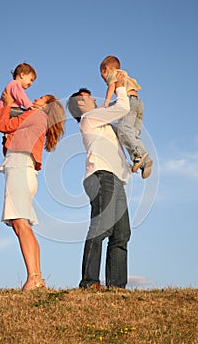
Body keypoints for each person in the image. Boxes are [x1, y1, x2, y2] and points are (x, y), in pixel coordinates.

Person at [0, 90, 65, 290]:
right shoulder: (39, 118)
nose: (35, 99)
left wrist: (7, 104)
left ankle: (33, 277)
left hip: (20, 168)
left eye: (40, 98)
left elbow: (4, 125)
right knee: (22, 225)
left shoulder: (35, 115)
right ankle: (37, 277)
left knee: (20, 224)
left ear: (46, 106)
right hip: (25, 170)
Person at [67, 72, 131, 289]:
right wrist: (120, 87)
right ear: (80, 104)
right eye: (89, 97)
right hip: (101, 176)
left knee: (122, 233)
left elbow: (120, 113)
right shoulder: (90, 118)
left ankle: (116, 286)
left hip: (115, 178)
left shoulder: (101, 121)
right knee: (101, 226)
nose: (93, 98)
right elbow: (121, 108)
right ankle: (89, 282)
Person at [100, 55, 152, 179]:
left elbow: (111, 87)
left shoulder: (114, 75)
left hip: (129, 102)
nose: (103, 79)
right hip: (138, 104)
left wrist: (106, 104)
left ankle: (138, 154)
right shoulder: (124, 74)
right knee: (132, 134)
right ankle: (145, 162)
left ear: (105, 69)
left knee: (123, 131)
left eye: (102, 75)